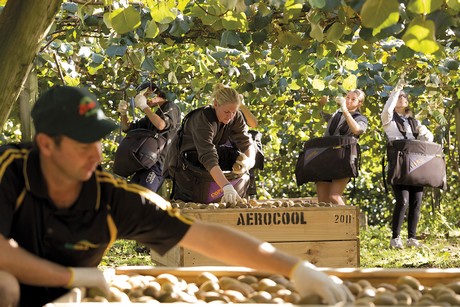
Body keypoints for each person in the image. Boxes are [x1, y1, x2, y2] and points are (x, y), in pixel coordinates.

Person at [0, 85, 352, 307]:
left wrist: (296, 268)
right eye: (81, 145)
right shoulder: (8, 170)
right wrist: (73, 277)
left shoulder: (111, 197)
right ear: (46, 145)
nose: (95, 156)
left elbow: (203, 235)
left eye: (97, 142)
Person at [164, 84, 256, 204]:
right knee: (189, 203)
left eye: (234, 112)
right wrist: (226, 187)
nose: (230, 116)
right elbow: (208, 156)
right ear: (216, 104)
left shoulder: (235, 116)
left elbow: (246, 142)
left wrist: (248, 162)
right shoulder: (202, 119)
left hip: (206, 163)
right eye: (226, 112)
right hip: (185, 164)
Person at [381, 79, 433, 249]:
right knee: (402, 201)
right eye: (398, 97)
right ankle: (395, 238)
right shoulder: (389, 120)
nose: (401, 98)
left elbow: (428, 138)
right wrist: (397, 89)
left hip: (416, 163)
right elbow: (387, 108)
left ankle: (412, 238)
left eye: (404, 96)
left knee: (416, 201)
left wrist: (424, 133)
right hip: (398, 164)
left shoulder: (414, 122)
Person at [116, 81, 180, 192]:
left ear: (153, 92)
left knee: (143, 198)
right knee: (129, 196)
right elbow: (127, 128)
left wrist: (144, 106)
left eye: (146, 95)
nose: (144, 99)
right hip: (145, 163)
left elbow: (161, 125)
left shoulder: (170, 106)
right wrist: (123, 114)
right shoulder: (151, 117)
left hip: (158, 164)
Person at [317, 90, 368, 206]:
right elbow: (323, 105)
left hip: (343, 159)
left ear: (359, 103)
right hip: (325, 157)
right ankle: (330, 224)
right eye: (347, 97)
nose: (349, 100)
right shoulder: (335, 115)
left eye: (353, 99)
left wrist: (345, 110)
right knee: (323, 201)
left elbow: (358, 130)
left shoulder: (361, 119)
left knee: (334, 196)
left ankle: (348, 223)